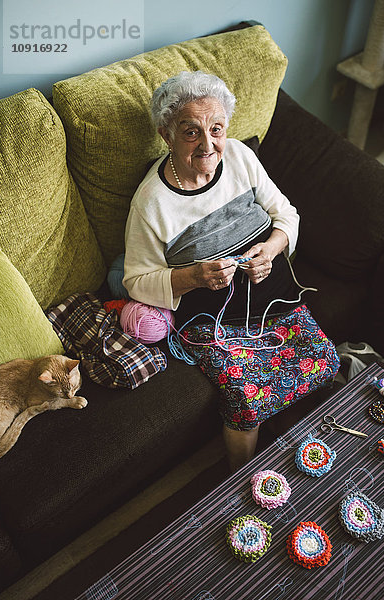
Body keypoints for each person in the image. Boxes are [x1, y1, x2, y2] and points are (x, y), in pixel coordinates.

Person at [123, 71, 300, 471]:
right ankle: (242, 477)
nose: (208, 144)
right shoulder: (151, 203)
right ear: (166, 134)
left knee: (320, 357)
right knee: (246, 397)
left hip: (272, 293)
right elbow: (135, 280)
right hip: (209, 321)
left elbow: (285, 214)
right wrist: (196, 276)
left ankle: (297, 460)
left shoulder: (238, 155)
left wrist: (270, 250)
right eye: (191, 133)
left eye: (216, 129)